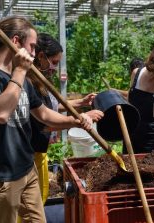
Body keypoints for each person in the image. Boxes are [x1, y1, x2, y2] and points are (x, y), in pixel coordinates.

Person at [0, 16, 94, 223]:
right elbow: (0, 113)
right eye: (32, 47)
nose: (34, 55)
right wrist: (20, 71)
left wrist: (76, 120)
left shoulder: (21, 76)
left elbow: (43, 113)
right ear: (16, 42)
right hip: (2, 177)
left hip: (27, 168)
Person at [27, 33, 103, 205]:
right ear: (40, 57)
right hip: (30, 152)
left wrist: (80, 103)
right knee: (31, 202)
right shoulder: (30, 83)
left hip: (40, 151)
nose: (54, 68)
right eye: (53, 62)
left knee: (40, 196)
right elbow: (45, 120)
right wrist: (79, 120)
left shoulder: (41, 80)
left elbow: (52, 107)